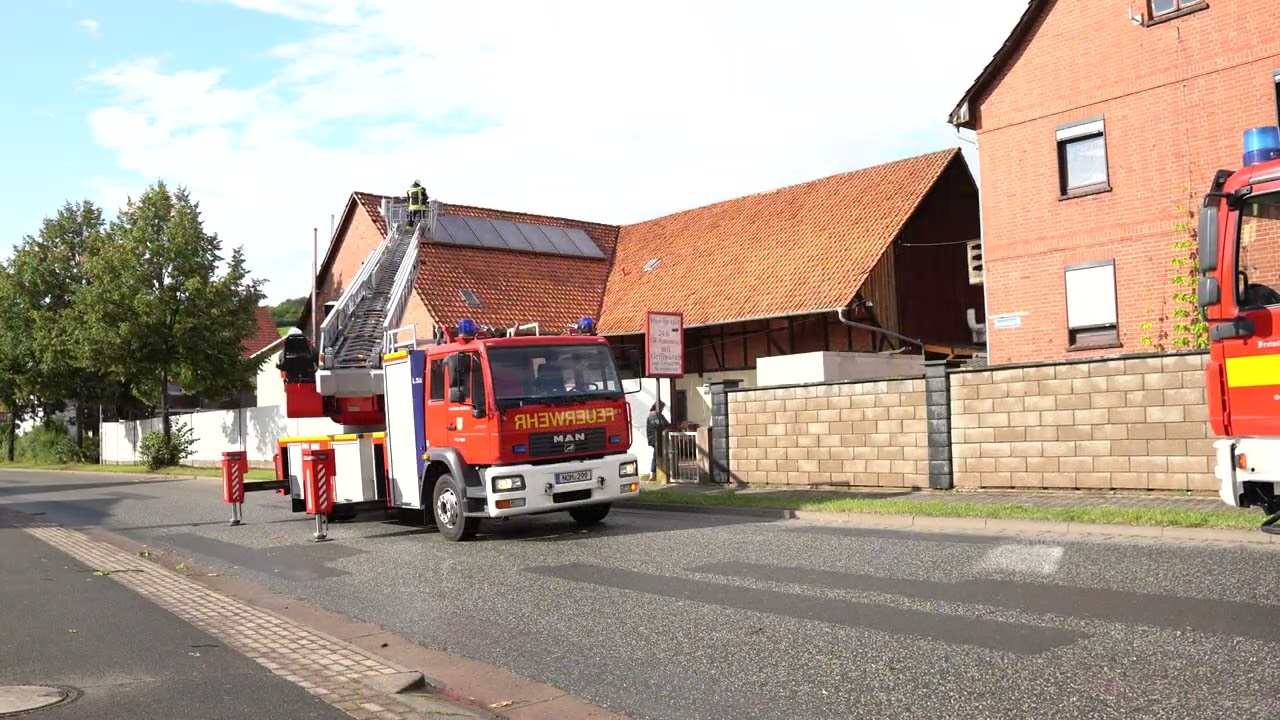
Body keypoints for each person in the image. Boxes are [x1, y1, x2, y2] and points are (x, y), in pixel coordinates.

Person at [646, 401, 669, 478]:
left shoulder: (660, 415)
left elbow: (666, 424)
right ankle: (653, 473)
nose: (663, 409)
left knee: (657, 454)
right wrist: (664, 425)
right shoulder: (653, 414)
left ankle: (654, 473)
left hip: (657, 437)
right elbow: (658, 424)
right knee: (656, 454)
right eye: (662, 407)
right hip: (654, 438)